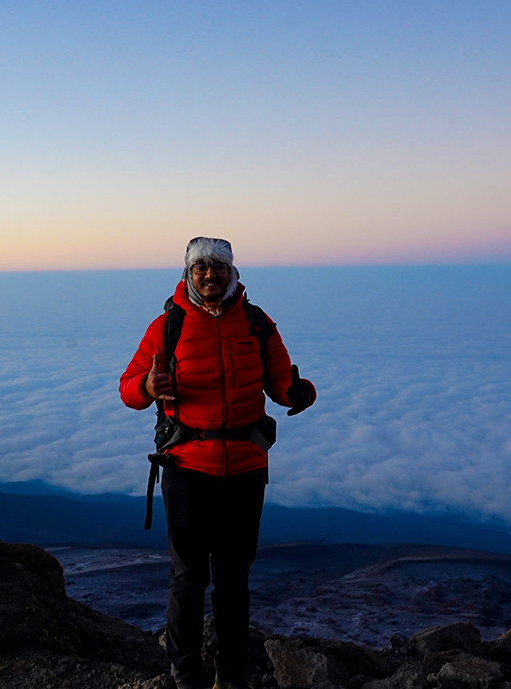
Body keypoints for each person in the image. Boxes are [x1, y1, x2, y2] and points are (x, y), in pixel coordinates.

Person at [120, 237, 316, 689]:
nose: (210, 275)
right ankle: (186, 678)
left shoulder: (256, 322)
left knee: (233, 580)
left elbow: (279, 379)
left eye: (219, 268)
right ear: (188, 273)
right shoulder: (166, 327)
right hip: (186, 467)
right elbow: (127, 387)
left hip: (245, 469)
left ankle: (231, 678)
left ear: (232, 273)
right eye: (201, 268)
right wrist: (148, 387)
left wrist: (298, 393)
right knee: (188, 580)